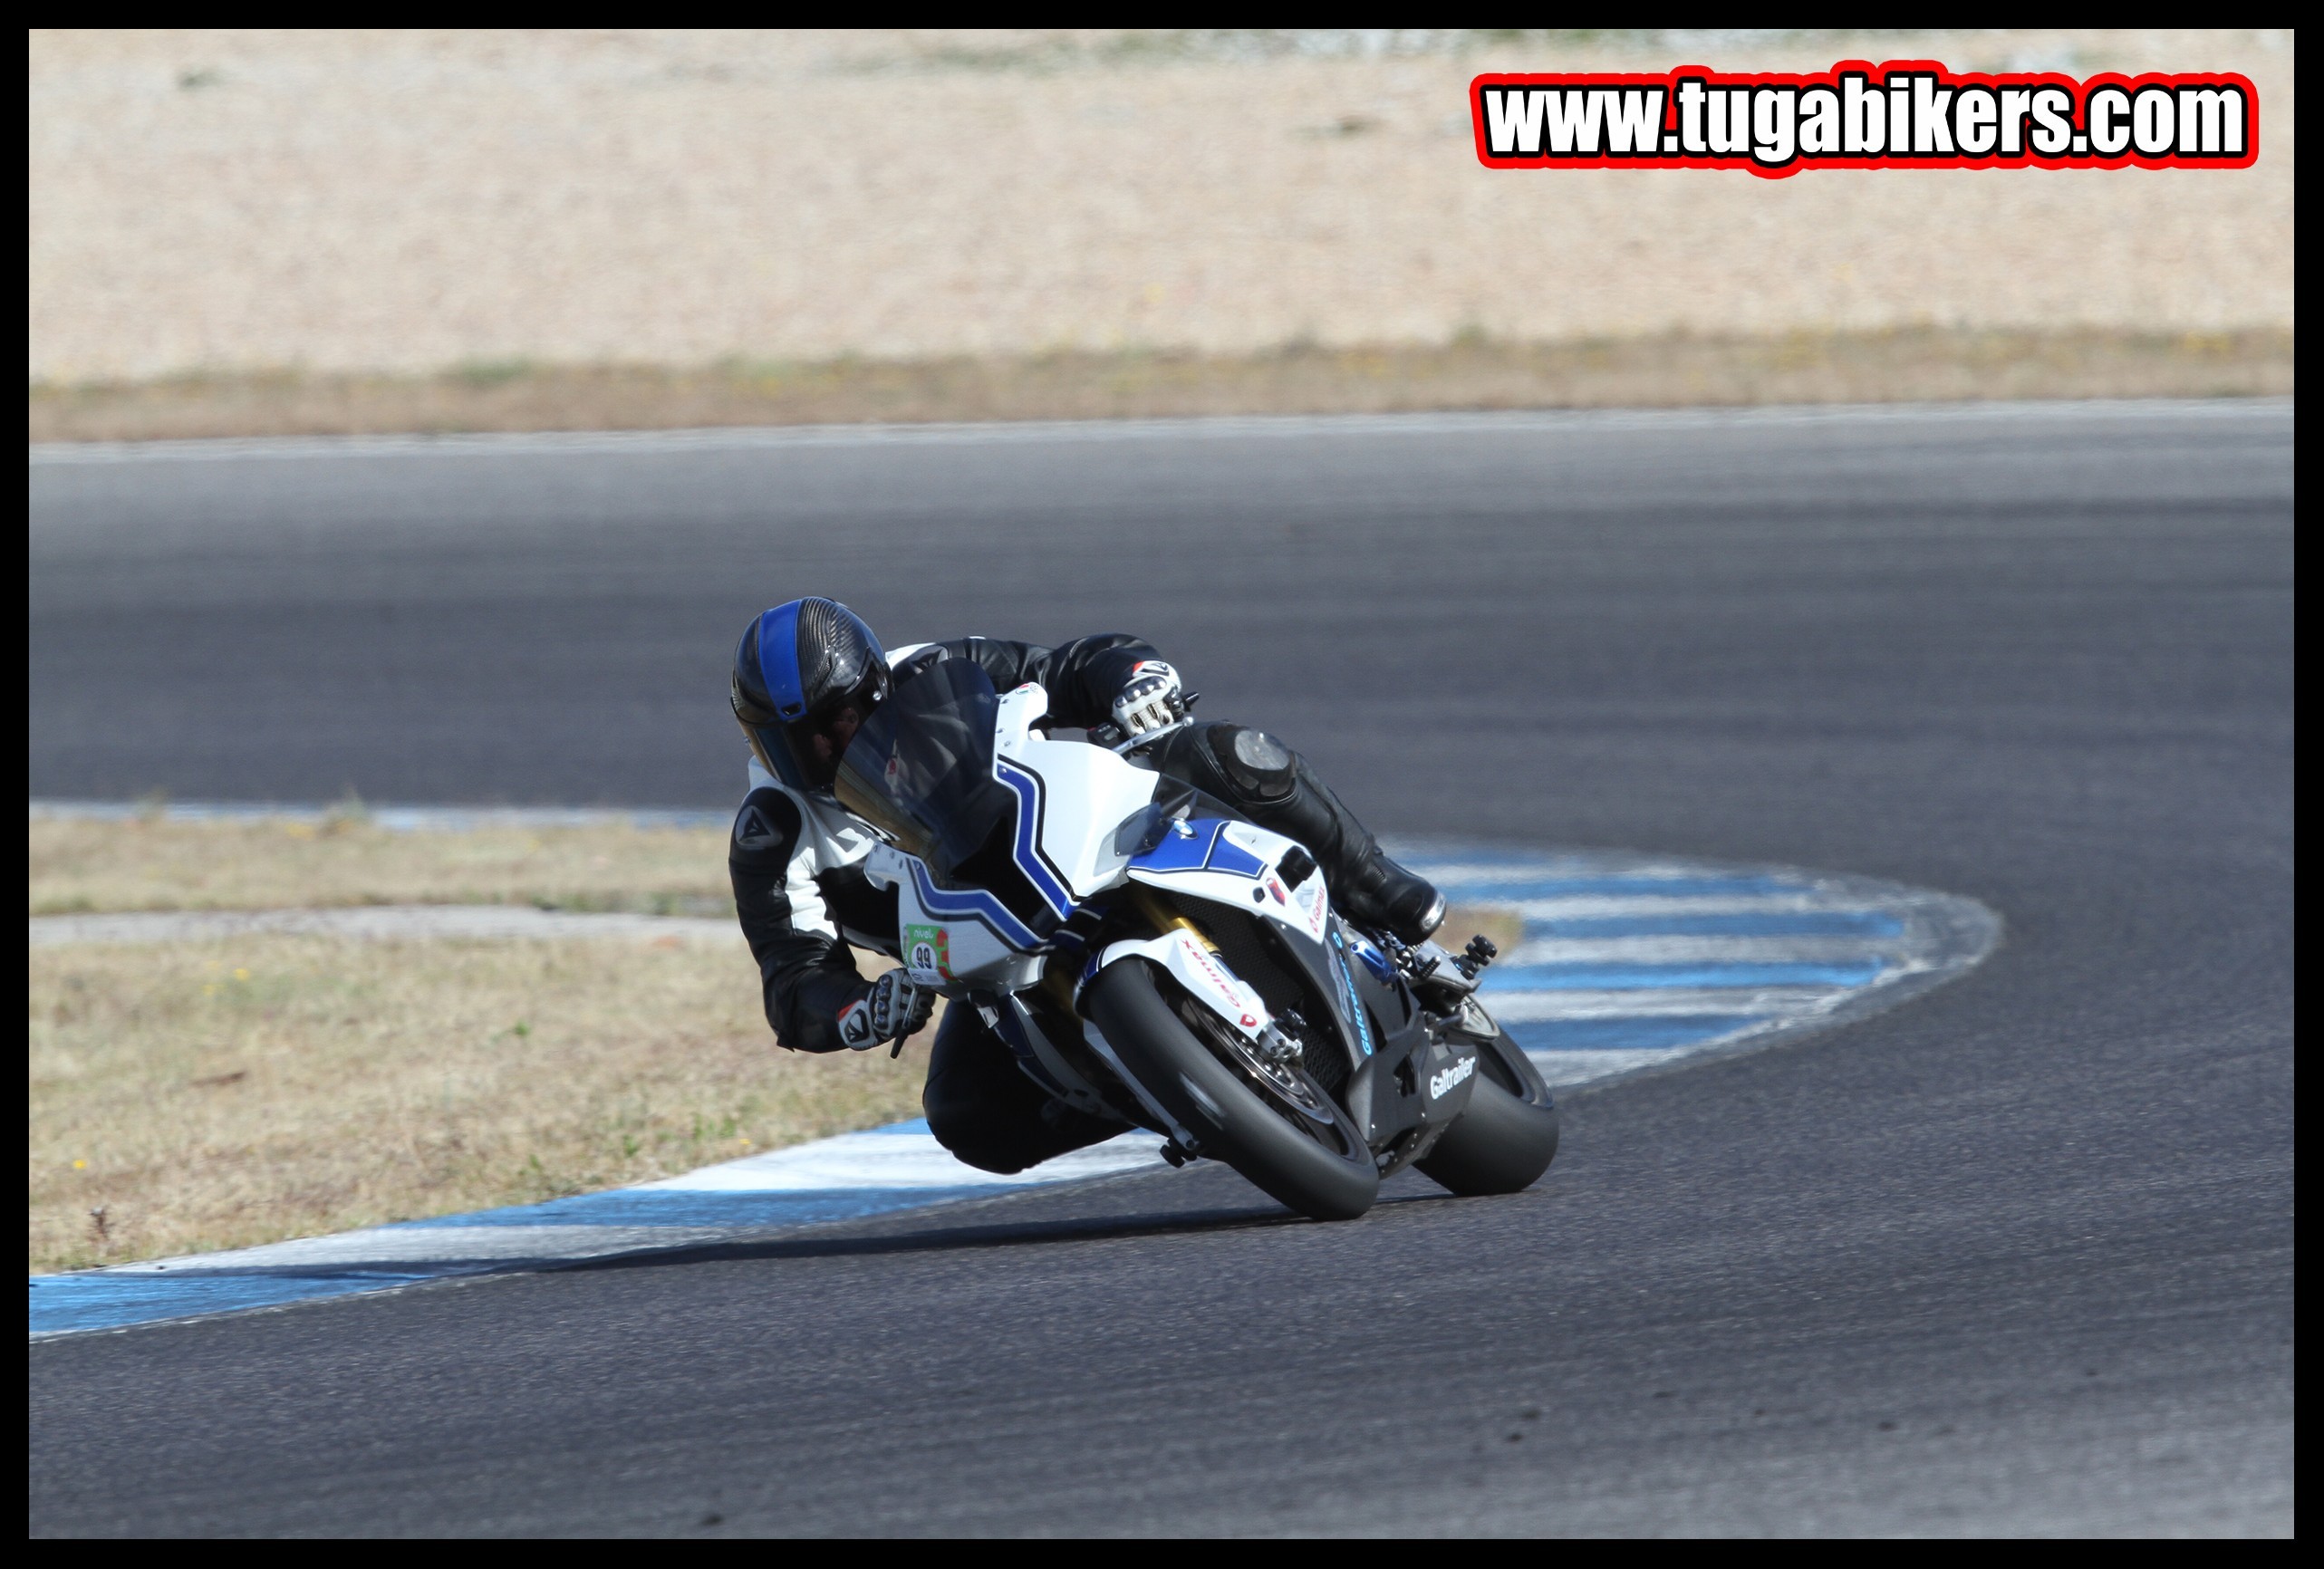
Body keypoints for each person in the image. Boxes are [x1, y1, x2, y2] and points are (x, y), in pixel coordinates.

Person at [727, 596, 1444, 1174]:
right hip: (989, 962)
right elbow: (791, 978)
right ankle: (1169, 1093)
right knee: (968, 1120)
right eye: (797, 741)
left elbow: (1072, 664)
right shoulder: (772, 830)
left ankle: (1380, 890)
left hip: (1088, 839)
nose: (825, 749)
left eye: (839, 720)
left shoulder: (936, 672)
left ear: (874, 684)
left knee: (1220, 753)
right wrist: (857, 1007)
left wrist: (1135, 685)